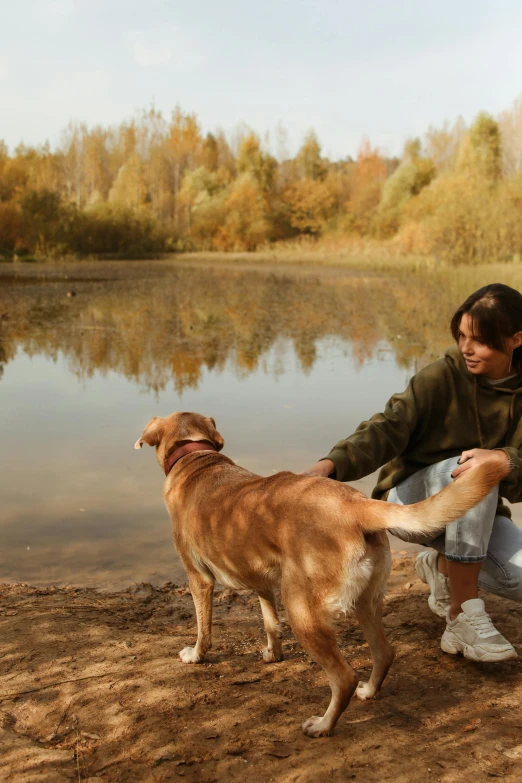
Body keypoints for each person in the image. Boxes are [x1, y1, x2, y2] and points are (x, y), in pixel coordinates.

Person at [302, 283, 522, 662]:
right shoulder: (441, 376)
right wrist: (330, 465)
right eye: (462, 336)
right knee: (476, 471)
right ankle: (461, 615)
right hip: (409, 501)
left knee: (516, 578)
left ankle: (440, 567)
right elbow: (387, 427)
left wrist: (508, 461)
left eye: (480, 341)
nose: (466, 348)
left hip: (477, 513)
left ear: (516, 339)